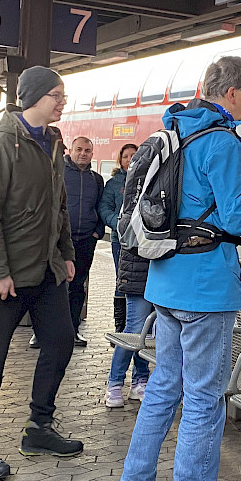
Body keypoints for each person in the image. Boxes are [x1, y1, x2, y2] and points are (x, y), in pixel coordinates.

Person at [113, 56, 241, 481]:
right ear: (231, 93)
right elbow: (237, 217)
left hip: (165, 281)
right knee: (204, 400)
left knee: (162, 391)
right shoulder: (223, 143)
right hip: (206, 289)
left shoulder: (174, 131)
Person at [0, 66, 82, 480]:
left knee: (61, 340)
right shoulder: (1, 143)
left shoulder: (52, 142)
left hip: (46, 269)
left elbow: (59, 206)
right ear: (34, 96)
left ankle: (39, 426)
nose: (62, 101)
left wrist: (66, 254)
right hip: (7, 276)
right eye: (56, 94)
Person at [62, 136, 105, 349]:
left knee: (78, 286)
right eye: (79, 149)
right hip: (61, 242)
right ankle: (42, 332)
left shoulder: (96, 179)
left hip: (85, 240)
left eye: (87, 150)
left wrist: (96, 233)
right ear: (71, 150)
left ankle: (72, 330)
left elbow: (100, 207)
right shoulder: (58, 174)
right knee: (53, 286)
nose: (83, 153)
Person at [96, 143, 137, 351]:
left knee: (140, 282)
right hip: (119, 240)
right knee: (121, 280)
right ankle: (120, 327)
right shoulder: (113, 183)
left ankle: (138, 327)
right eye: (126, 156)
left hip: (142, 242)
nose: (130, 159)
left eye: (134, 155)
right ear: (120, 160)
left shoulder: (148, 179)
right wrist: (119, 223)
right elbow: (104, 208)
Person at [104, 237, 153, 409]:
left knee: (148, 332)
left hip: (162, 272)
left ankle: (140, 379)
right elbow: (125, 231)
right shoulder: (133, 208)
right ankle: (115, 383)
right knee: (135, 329)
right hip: (137, 269)